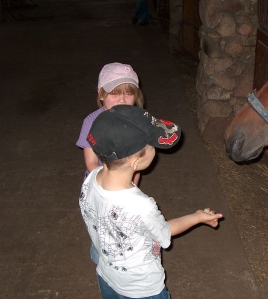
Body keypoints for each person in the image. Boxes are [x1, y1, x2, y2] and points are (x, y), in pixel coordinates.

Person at [79, 105, 223, 299]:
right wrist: (197, 217)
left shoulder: (91, 179)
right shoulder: (141, 206)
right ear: (135, 162)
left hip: (107, 277)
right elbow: (164, 232)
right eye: (151, 145)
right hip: (143, 289)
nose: (155, 149)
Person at [76, 62, 144, 265]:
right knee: (102, 228)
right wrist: (109, 185)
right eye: (115, 93)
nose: (122, 100)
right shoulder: (92, 121)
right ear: (101, 94)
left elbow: (137, 161)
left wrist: (131, 188)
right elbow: (90, 161)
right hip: (99, 186)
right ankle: (101, 259)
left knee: (125, 226)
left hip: (127, 185)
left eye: (128, 94)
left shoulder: (138, 121)